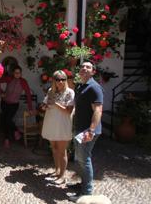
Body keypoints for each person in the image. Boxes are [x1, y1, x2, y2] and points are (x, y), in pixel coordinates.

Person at [69, 61, 103, 201]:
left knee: (84, 159)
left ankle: (87, 192)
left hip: (88, 131)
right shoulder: (82, 86)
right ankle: (83, 184)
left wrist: (91, 130)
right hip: (80, 129)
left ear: (93, 72)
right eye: (82, 66)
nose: (84, 68)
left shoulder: (94, 88)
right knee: (80, 159)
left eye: (88, 67)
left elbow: (98, 110)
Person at [40, 70, 75, 185]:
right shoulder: (51, 91)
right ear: (53, 81)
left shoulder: (70, 92)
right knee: (54, 149)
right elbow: (46, 104)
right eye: (57, 79)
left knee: (62, 151)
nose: (60, 81)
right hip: (51, 122)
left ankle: (62, 176)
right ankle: (57, 171)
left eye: (63, 79)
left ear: (66, 80)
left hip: (62, 124)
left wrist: (55, 103)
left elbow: (68, 111)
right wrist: (44, 106)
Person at [0, 65, 33, 148]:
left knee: (8, 120)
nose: (17, 74)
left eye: (19, 73)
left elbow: (28, 95)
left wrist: (30, 108)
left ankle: (16, 131)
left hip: (14, 104)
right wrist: (1, 92)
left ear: (21, 73)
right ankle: (7, 139)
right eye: (16, 73)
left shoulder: (23, 81)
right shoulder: (9, 78)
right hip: (4, 102)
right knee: (5, 121)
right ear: (13, 73)